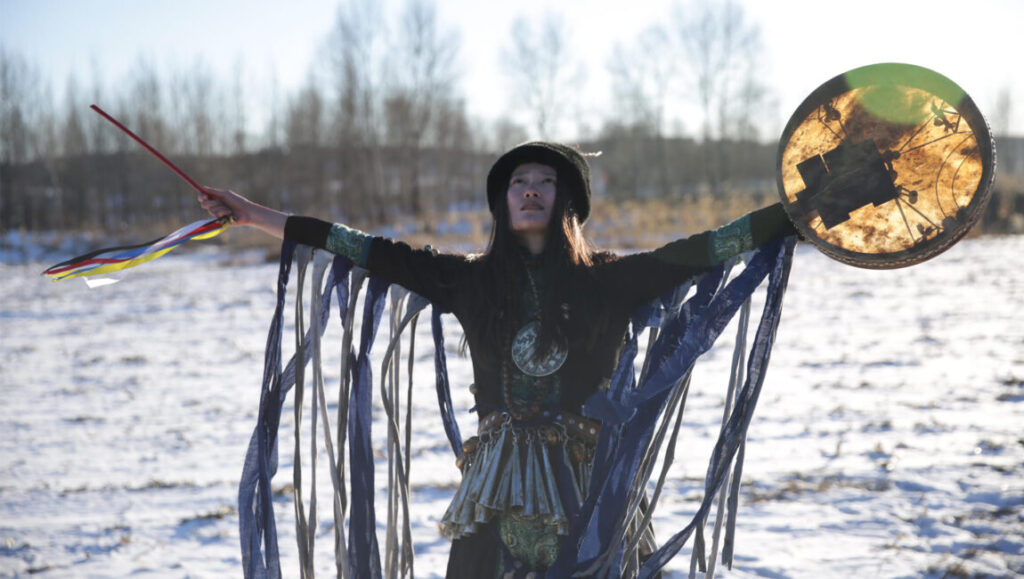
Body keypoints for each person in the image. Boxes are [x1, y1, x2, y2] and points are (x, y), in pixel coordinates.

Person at [199, 141, 796, 577]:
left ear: (567, 201)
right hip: (495, 492)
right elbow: (363, 249)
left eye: (543, 180)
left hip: (588, 487)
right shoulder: (469, 282)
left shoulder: (612, 280)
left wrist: (794, 215)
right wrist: (253, 214)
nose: (530, 188)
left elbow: (709, 247)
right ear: (502, 203)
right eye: (517, 182)